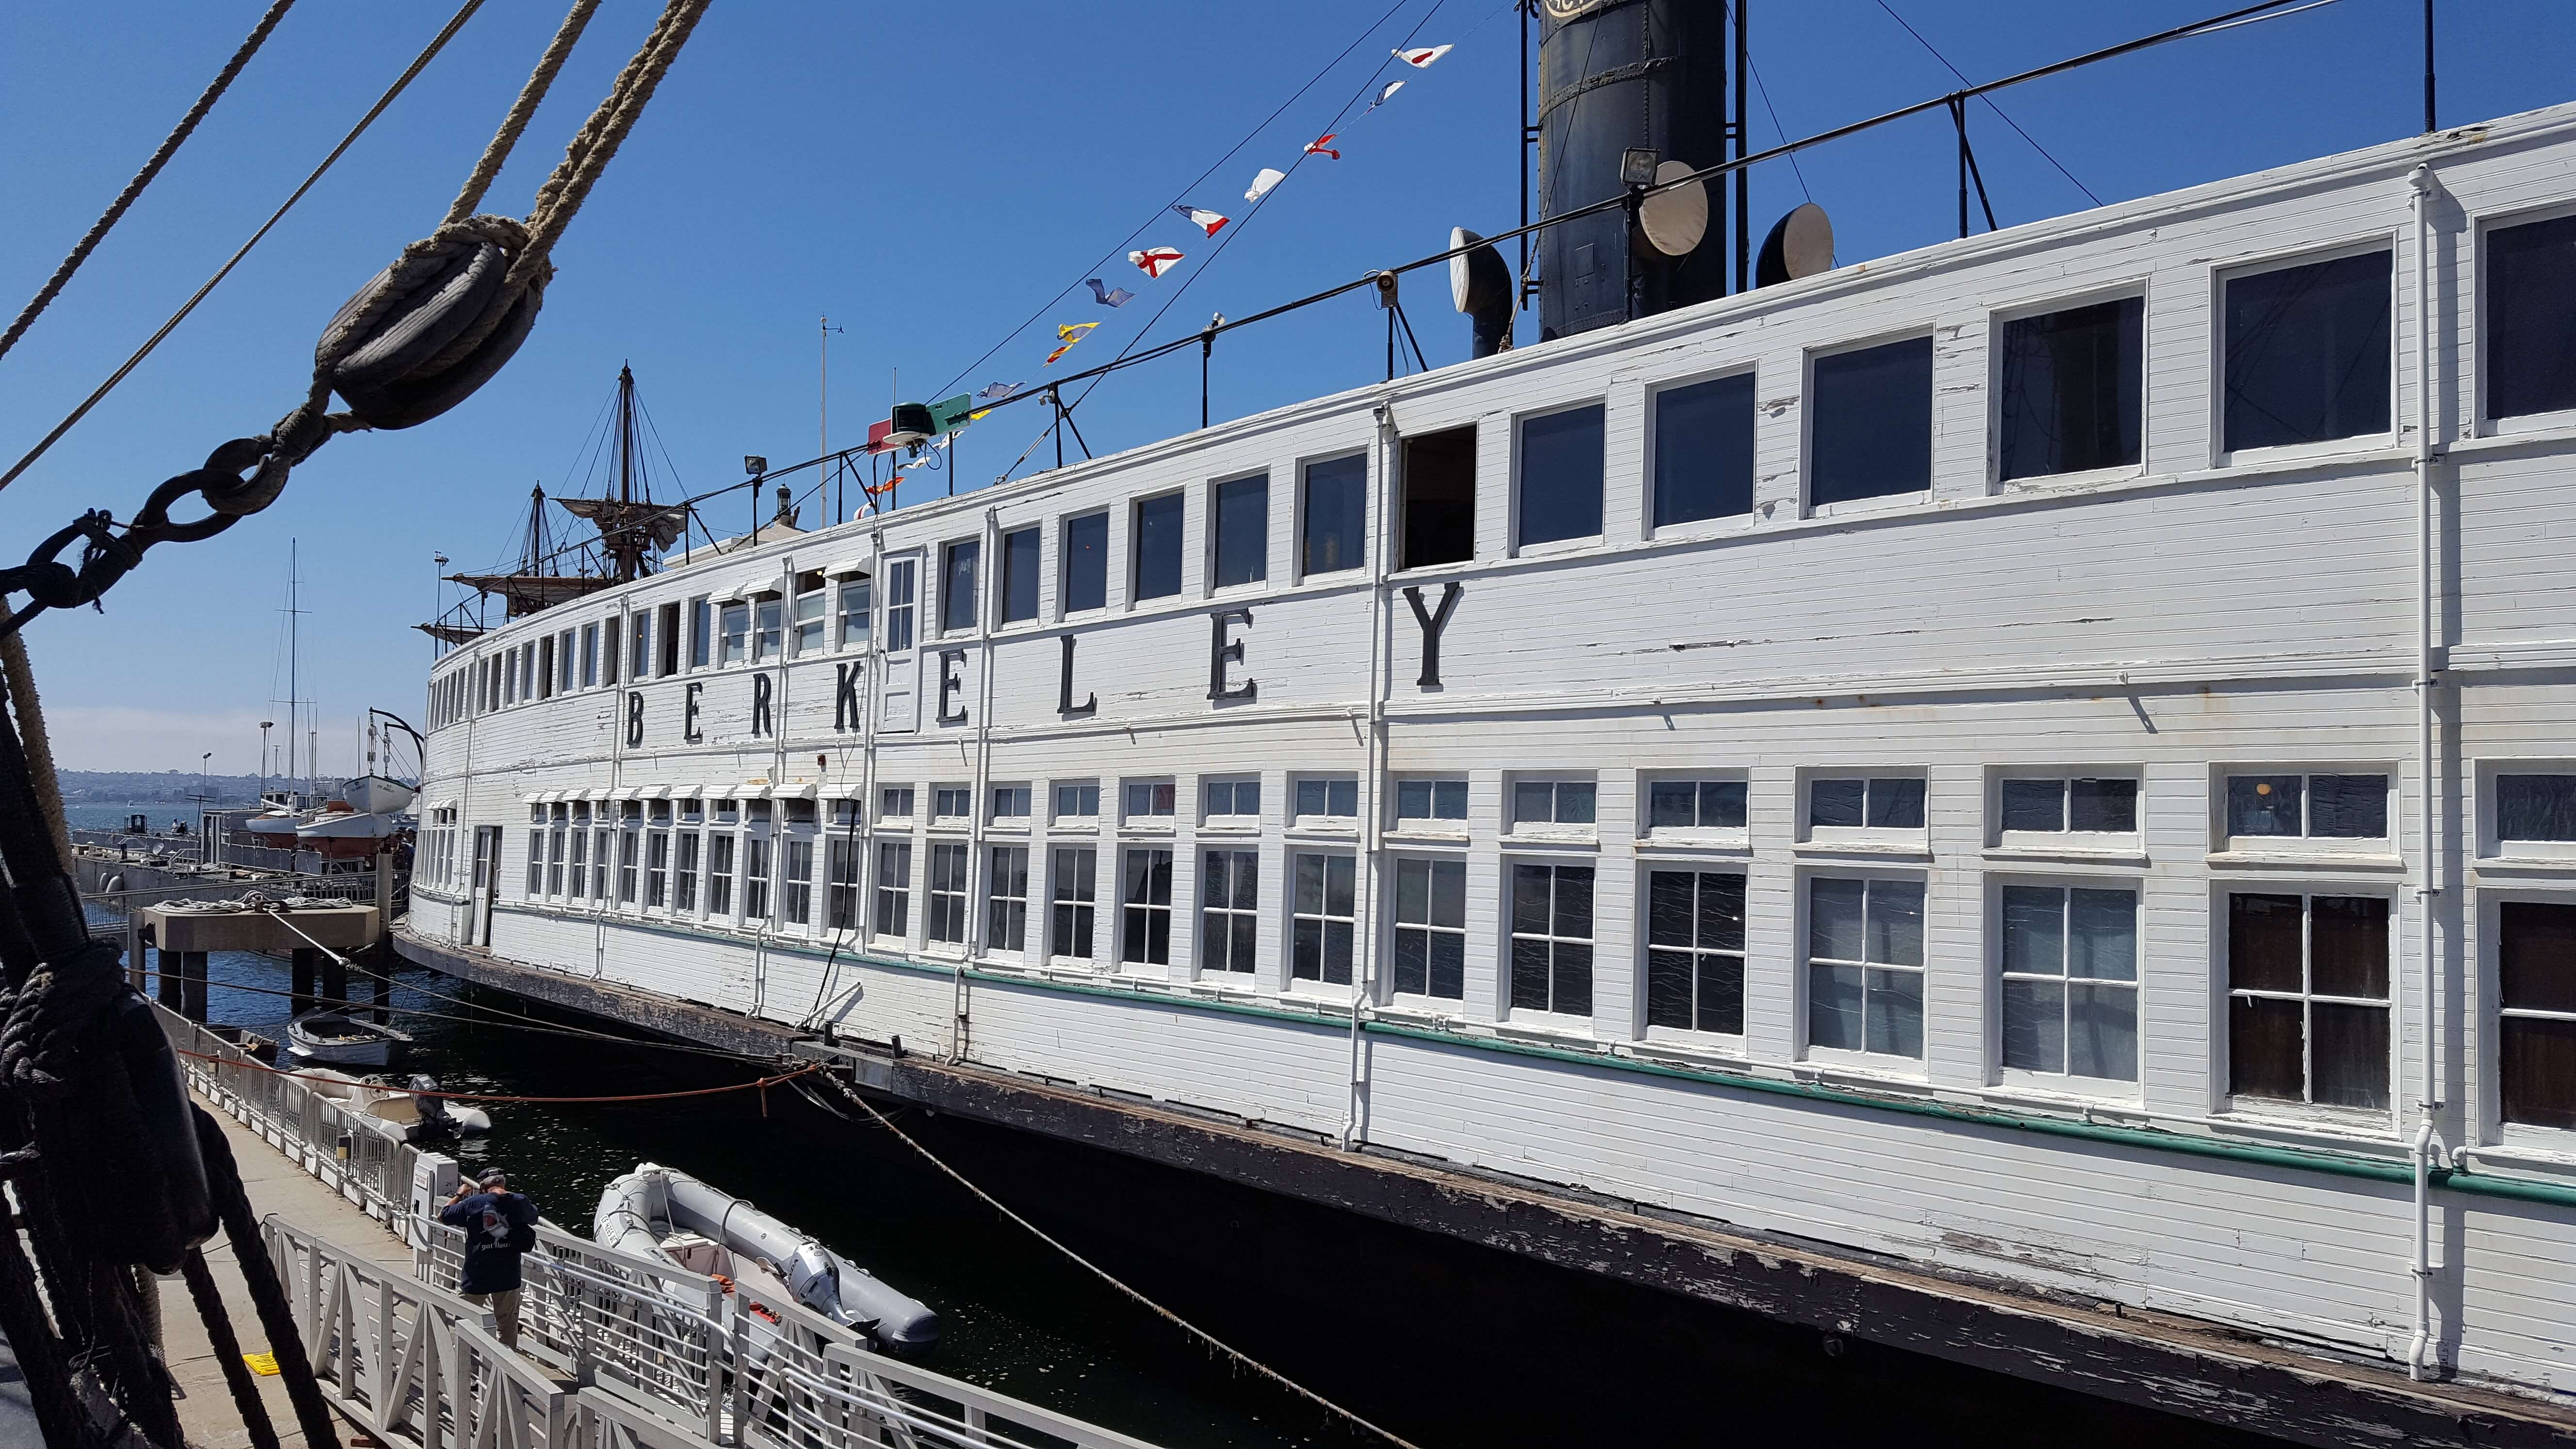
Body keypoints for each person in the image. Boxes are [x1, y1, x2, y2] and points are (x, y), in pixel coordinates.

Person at [439, 1169, 539, 1348]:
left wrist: (459, 1195)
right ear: (503, 1183)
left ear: (483, 1187)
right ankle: (506, 1368)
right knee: (507, 1325)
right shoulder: (519, 1201)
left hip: (477, 1274)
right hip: (509, 1274)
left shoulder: (473, 1203)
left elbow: (444, 1216)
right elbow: (533, 1218)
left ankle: (462, 1363)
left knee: (465, 1320)